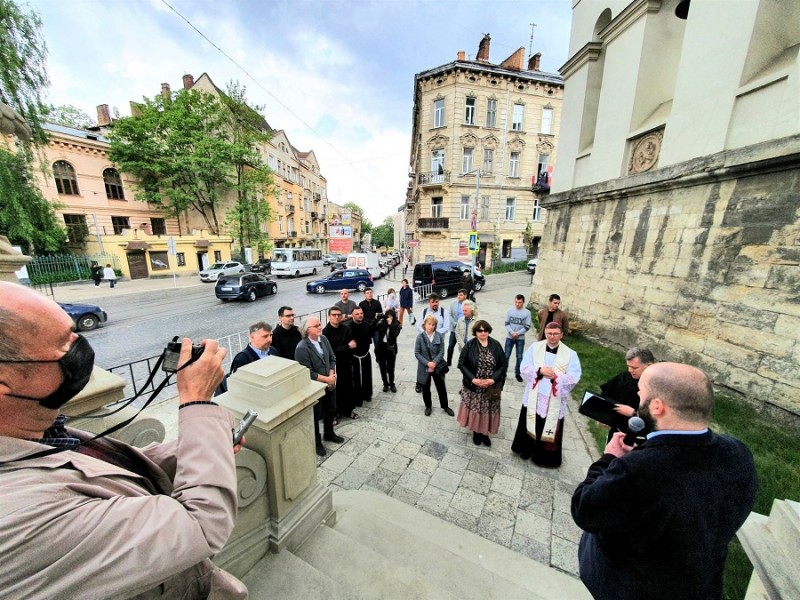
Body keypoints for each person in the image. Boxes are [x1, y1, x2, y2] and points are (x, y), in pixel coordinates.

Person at [0, 281, 247, 598]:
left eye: (77, 334)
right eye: (65, 346)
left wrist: (203, 446)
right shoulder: (17, 517)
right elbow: (199, 526)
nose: (82, 350)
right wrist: (197, 400)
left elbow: (104, 476)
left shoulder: (36, 431)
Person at [571, 362, 758, 600]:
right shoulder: (738, 453)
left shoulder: (636, 470)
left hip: (631, 588)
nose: (638, 396)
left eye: (642, 392)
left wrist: (609, 458)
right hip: (698, 587)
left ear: (657, 406)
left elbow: (584, 508)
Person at [511, 322, 581, 467]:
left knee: (547, 425)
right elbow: (524, 367)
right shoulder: (535, 348)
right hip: (534, 395)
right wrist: (540, 371)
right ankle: (526, 449)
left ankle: (543, 457)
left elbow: (574, 376)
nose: (552, 337)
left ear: (561, 335)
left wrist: (556, 377)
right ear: (545, 333)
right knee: (530, 420)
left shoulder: (570, 354)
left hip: (552, 398)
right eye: (549, 333)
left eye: (556, 334)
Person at [294, 317, 343, 457]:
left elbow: (332, 357)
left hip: (330, 384)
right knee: (316, 415)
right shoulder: (302, 348)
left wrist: (332, 376)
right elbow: (307, 371)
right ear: (307, 330)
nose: (320, 327)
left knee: (331, 409)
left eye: (320, 324)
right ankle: (316, 442)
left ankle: (329, 433)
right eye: (316, 325)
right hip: (315, 389)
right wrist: (326, 379)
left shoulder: (324, 339)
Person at [456, 319, 507, 447]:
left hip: (492, 386)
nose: (483, 333)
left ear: (489, 331)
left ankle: (485, 433)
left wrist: (493, 379)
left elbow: (503, 365)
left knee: (489, 410)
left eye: (485, 330)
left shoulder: (496, 345)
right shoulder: (469, 345)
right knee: (476, 410)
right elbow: (461, 364)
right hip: (474, 385)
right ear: (475, 332)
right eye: (480, 330)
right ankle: (476, 433)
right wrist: (473, 379)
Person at [600, 347, 656, 442]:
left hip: (640, 439)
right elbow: (606, 395)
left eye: (634, 368)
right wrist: (604, 417)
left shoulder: (657, 386)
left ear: (649, 365)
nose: (630, 370)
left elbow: (657, 418)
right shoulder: (624, 377)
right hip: (616, 432)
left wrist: (634, 413)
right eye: (628, 366)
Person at [215, 321, 277, 396]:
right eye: (265, 336)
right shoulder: (242, 359)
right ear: (252, 337)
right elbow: (237, 387)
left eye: (271, 335)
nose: (270, 339)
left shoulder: (273, 351)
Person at [414, 315, 453, 417]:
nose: (431, 326)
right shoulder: (420, 337)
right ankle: (428, 406)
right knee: (426, 388)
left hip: (437, 366)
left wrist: (434, 363)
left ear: (435, 326)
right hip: (424, 367)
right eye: (429, 324)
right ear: (425, 325)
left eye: (433, 325)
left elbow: (442, 352)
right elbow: (417, 353)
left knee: (441, 387)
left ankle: (445, 406)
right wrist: (428, 363)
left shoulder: (439, 336)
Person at [322, 306, 357, 421]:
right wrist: (346, 346)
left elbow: (353, 345)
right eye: (334, 315)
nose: (337, 317)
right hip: (334, 366)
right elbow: (331, 352)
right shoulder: (325, 333)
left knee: (348, 388)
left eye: (339, 315)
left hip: (346, 363)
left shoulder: (346, 329)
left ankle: (348, 410)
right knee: (336, 391)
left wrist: (343, 349)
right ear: (329, 317)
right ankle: (335, 414)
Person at [504, 294, 532, 383]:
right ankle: (503, 372)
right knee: (506, 355)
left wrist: (518, 333)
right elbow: (506, 323)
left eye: (519, 302)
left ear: (523, 302)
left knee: (519, 356)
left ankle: (517, 374)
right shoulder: (509, 311)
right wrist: (512, 333)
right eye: (516, 302)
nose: (517, 304)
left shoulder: (527, 313)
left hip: (520, 338)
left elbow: (527, 326)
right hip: (510, 336)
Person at [349, 307, 373, 405]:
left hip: (366, 355)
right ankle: (357, 398)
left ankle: (367, 394)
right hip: (355, 357)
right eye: (357, 314)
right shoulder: (349, 328)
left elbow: (369, 339)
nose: (360, 315)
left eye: (361, 313)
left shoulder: (367, 325)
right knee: (356, 378)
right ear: (353, 315)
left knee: (367, 375)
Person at [374, 308, 401, 393]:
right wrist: (376, 319)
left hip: (391, 348)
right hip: (382, 347)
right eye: (387, 316)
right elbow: (374, 328)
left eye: (391, 316)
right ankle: (385, 383)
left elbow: (394, 335)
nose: (389, 318)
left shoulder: (397, 324)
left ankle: (392, 383)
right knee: (382, 367)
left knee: (391, 367)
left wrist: (390, 325)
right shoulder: (382, 323)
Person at [446, 289, 467, 366]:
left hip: (464, 330)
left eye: (461, 295)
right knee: (450, 346)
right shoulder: (453, 304)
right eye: (458, 295)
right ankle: (448, 362)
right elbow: (449, 314)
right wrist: (454, 323)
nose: (459, 296)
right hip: (454, 329)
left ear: (465, 296)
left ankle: (461, 363)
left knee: (462, 347)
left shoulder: (469, 304)